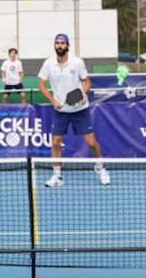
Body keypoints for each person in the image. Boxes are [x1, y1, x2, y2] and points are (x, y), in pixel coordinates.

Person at [35, 32, 109, 187]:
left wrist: (84, 93)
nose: (59, 46)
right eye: (57, 43)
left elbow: (87, 82)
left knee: (90, 142)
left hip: (80, 109)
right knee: (56, 142)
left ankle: (100, 166)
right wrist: (53, 100)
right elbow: (41, 85)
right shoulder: (49, 64)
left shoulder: (77, 62)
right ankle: (57, 176)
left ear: (67, 46)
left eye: (62, 43)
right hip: (60, 111)